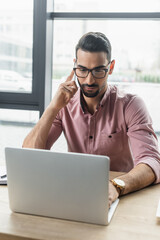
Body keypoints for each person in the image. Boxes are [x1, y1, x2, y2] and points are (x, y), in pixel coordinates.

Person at [23, 32, 160, 207]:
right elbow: (29, 155)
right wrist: (52, 108)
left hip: (122, 195)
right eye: (82, 70)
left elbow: (152, 161)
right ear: (74, 66)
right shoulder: (63, 104)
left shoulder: (130, 104)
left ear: (110, 68)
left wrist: (117, 186)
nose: (89, 80)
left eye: (98, 70)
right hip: (73, 191)